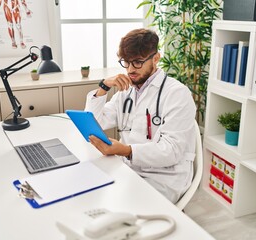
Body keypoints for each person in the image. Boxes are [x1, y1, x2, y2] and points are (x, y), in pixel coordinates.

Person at [84, 28, 197, 203]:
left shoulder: (177, 94)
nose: (130, 69)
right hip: (129, 169)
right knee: (90, 194)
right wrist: (104, 86)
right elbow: (97, 122)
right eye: (126, 62)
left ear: (156, 58)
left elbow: (172, 151)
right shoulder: (126, 90)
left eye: (137, 62)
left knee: (121, 208)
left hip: (163, 177)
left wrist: (126, 150)